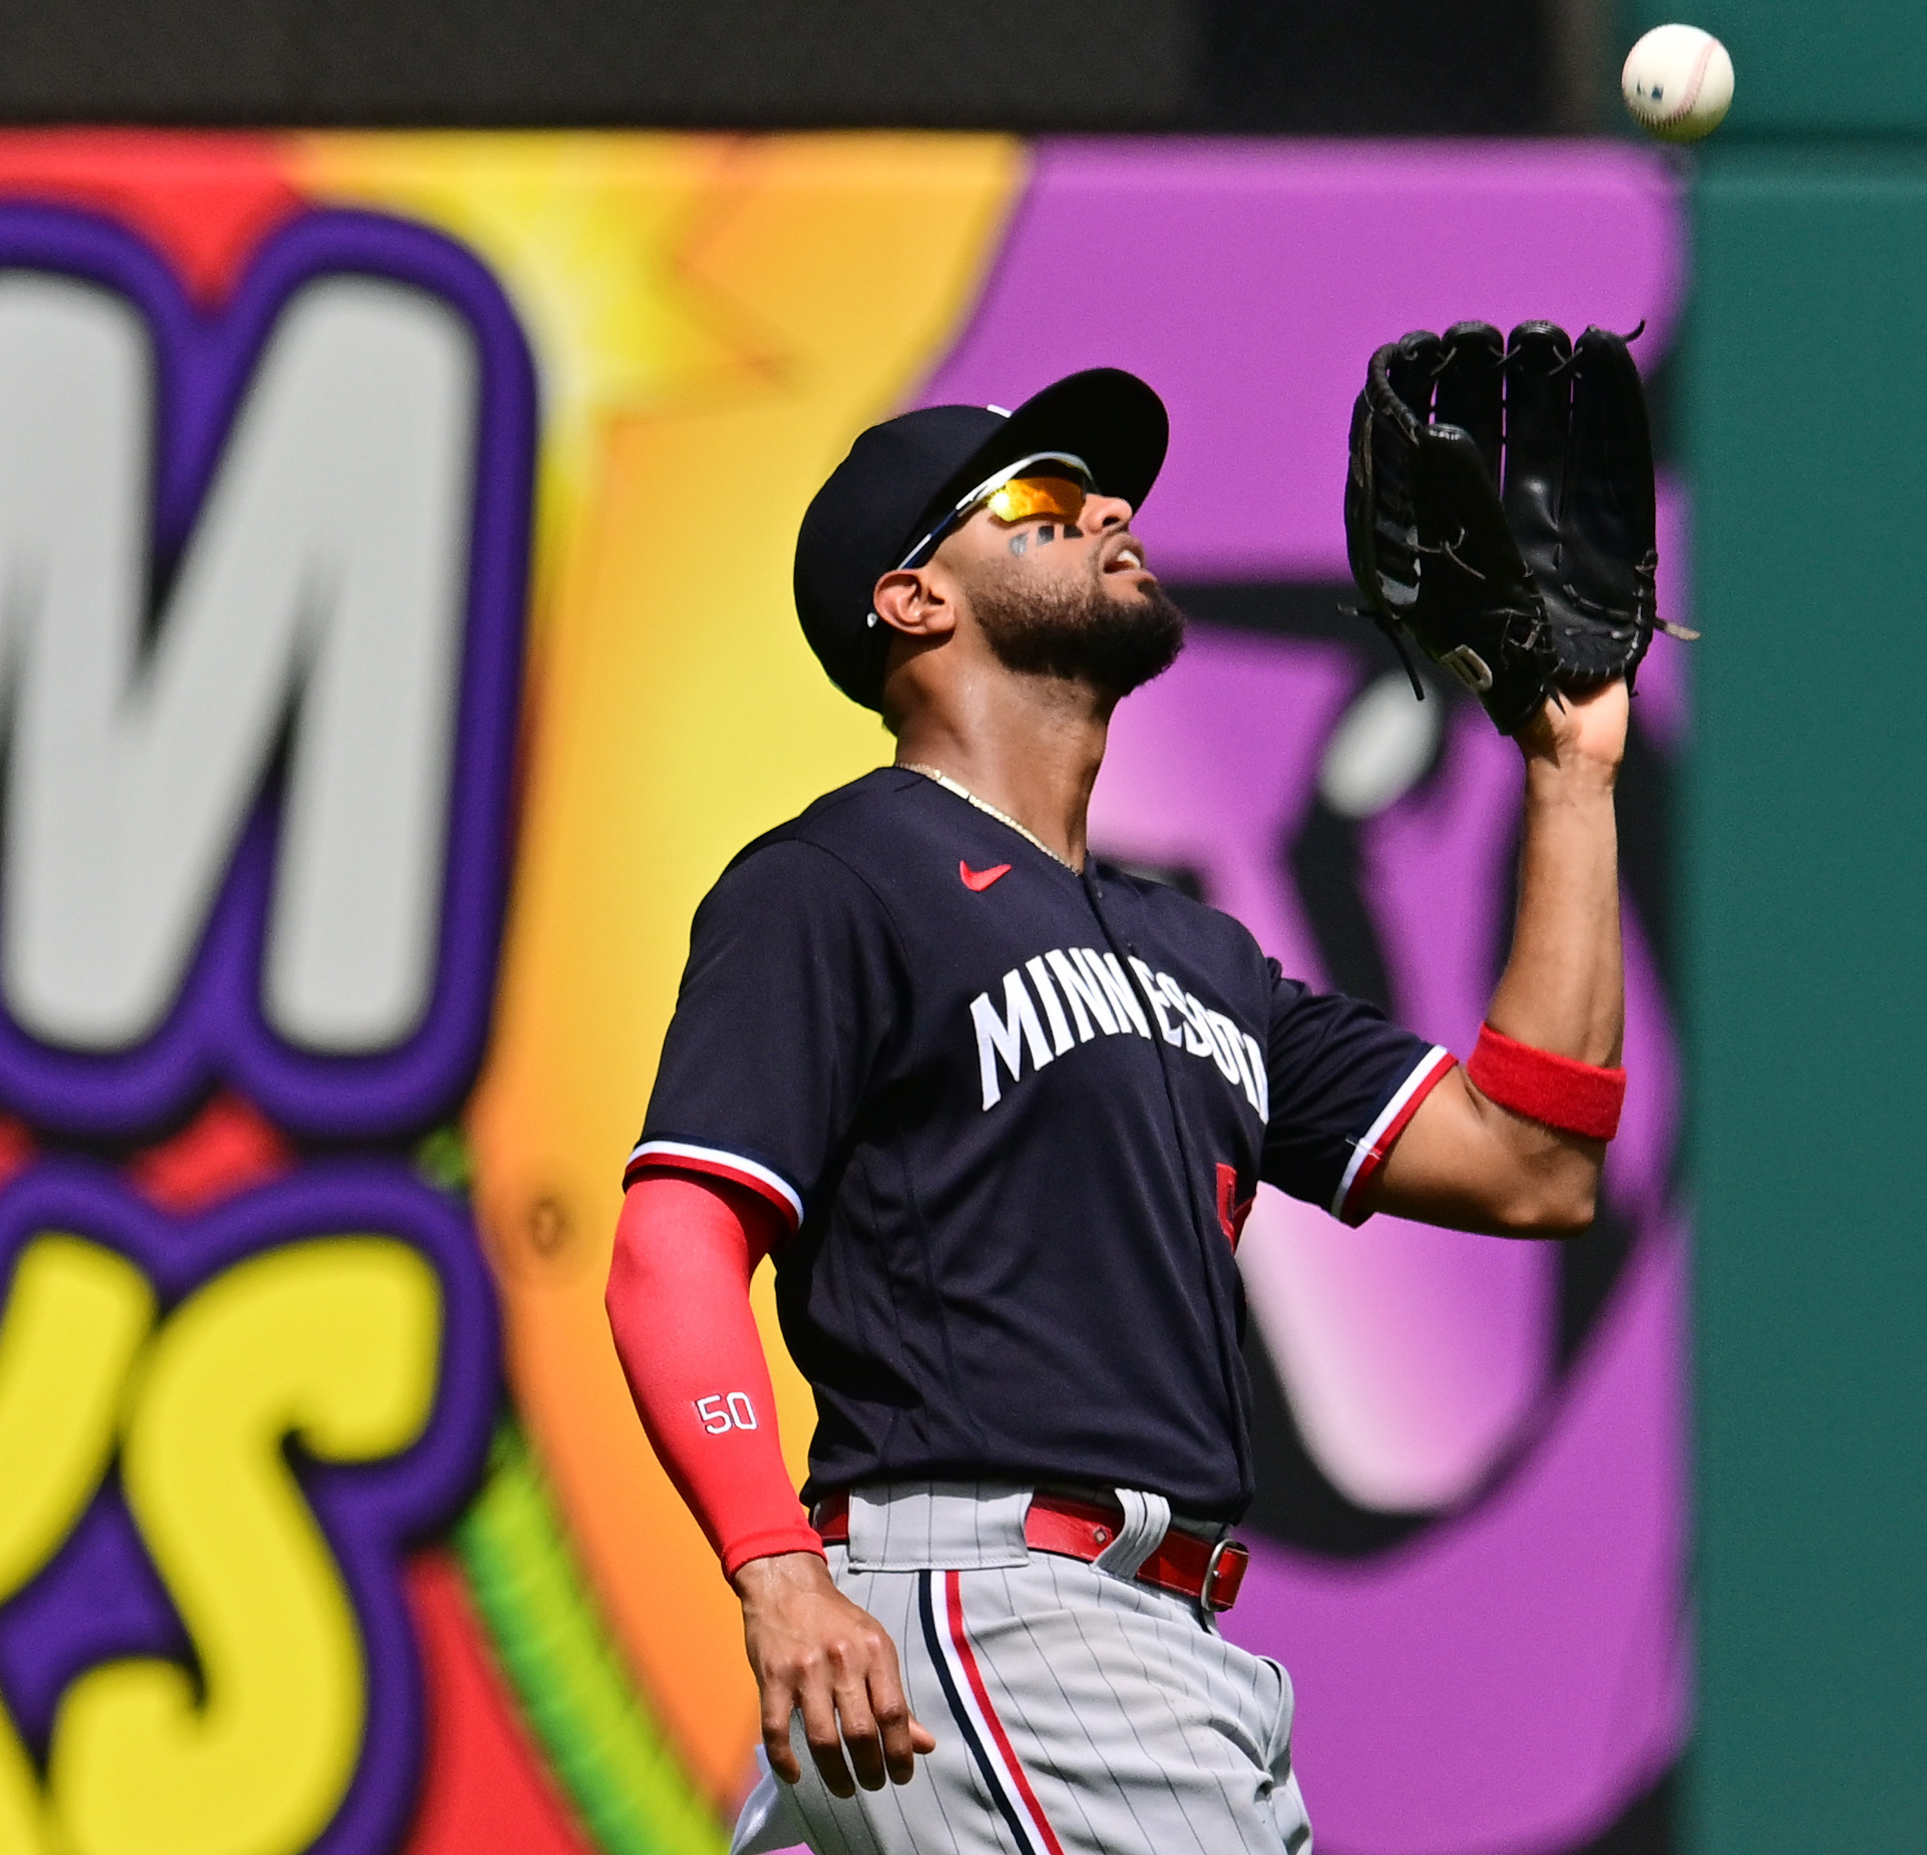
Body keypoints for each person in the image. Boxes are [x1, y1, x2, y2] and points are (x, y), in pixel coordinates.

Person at [604, 367, 1631, 1855]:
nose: (1107, 508)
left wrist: (1568, 767)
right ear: (912, 602)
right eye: (1036, 497)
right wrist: (774, 1568)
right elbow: (672, 1249)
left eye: (1101, 488)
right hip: (1000, 1617)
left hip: (1134, 1642)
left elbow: (1528, 1164)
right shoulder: (840, 880)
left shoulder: (1197, 953)